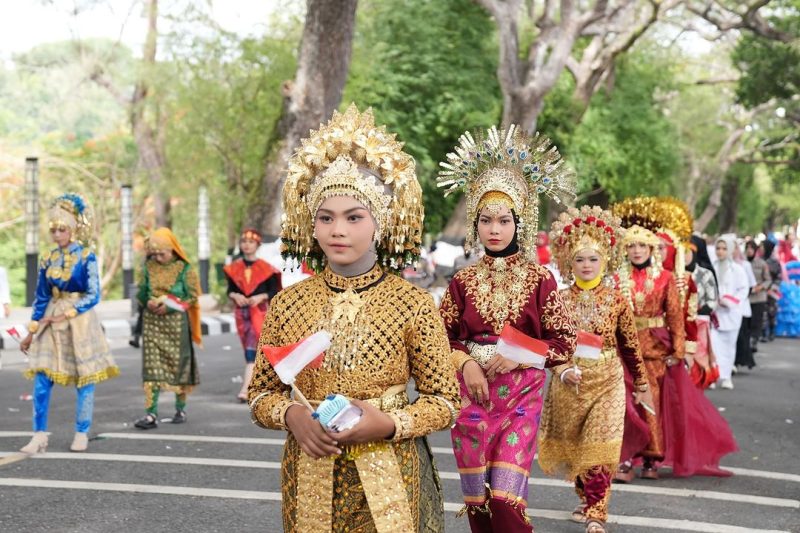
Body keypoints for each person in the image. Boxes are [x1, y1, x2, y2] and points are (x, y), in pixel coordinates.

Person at [248, 105, 460, 532]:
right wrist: (292, 417)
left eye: (353, 217)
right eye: (325, 218)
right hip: (310, 471)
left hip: (392, 473)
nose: (337, 230)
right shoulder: (289, 304)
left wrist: (389, 423)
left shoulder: (413, 303)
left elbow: (445, 402)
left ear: (380, 224)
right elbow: (261, 394)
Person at [437, 124, 577, 531]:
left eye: (502, 220)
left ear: (520, 222)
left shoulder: (540, 280)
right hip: (473, 395)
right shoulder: (462, 281)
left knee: (504, 499)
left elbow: (563, 342)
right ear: (475, 224)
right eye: (485, 220)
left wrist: (517, 355)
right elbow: (441, 336)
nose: (494, 229)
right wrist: (466, 364)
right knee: (479, 503)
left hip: (520, 396)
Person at [538, 206, 651, 533]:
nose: (586, 266)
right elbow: (550, 345)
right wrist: (561, 368)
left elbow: (630, 345)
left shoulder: (617, 300)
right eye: (580, 260)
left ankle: (596, 512)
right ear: (568, 263)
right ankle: (586, 498)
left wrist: (641, 382)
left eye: (593, 259)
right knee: (576, 450)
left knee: (600, 448)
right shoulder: (558, 299)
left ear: (605, 261)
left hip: (608, 381)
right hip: (569, 383)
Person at [18, 193, 119, 453]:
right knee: (41, 378)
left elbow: (93, 294)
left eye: (61, 228)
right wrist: (31, 331)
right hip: (50, 320)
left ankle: (82, 432)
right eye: (53, 229)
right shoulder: (47, 258)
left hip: (80, 321)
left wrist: (67, 313)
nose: (57, 234)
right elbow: (40, 297)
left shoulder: (87, 256)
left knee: (85, 379)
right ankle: (39, 434)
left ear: (72, 229)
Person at [610, 218, 685, 482]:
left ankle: (652, 457)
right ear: (626, 250)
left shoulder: (666, 278)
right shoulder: (617, 279)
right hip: (624, 350)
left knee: (650, 402)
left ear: (651, 250)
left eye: (642, 245)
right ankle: (626, 458)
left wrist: (679, 348)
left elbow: (675, 314)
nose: (637, 250)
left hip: (654, 350)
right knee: (625, 403)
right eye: (632, 246)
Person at [134, 228, 202, 429]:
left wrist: (171, 305)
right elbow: (141, 292)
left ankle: (180, 409)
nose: (158, 257)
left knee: (178, 366)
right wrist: (148, 302)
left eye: (162, 253)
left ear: (172, 250)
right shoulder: (148, 267)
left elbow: (192, 296)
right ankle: (150, 414)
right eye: (154, 254)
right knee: (151, 368)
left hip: (176, 325)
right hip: (153, 323)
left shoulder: (185, 269)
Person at [223, 228, 281, 402]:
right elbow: (230, 291)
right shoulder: (233, 268)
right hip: (243, 314)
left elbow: (274, 292)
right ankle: (258, 385)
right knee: (252, 350)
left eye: (251, 242)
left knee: (256, 350)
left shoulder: (267, 269)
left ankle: (247, 388)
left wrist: (260, 296)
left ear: (257, 245)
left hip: (260, 313)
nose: (247, 245)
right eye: (244, 242)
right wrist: (236, 296)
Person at [710, 234, 749, 389]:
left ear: (731, 250)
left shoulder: (738, 270)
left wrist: (731, 301)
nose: (720, 252)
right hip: (715, 313)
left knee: (729, 346)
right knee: (713, 345)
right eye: (718, 248)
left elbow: (743, 289)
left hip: (732, 313)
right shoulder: (711, 266)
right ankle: (713, 376)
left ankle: (726, 377)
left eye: (724, 248)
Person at [744, 240, 770, 355]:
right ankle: (746, 342)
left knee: (756, 321)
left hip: (759, 297)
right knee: (747, 322)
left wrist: (760, 287)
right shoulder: (742, 263)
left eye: (751, 248)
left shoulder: (762, 263)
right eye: (747, 248)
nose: (749, 250)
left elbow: (768, 280)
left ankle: (753, 341)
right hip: (746, 298)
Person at [761, 239, 782, 341]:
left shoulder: (774, 262)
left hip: (772, 292)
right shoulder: (759, 260)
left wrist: (772, 288)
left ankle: (772, 332)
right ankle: (764, 333)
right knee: (763, 313)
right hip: (761, 291)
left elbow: (779, 277)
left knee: (772, 312)